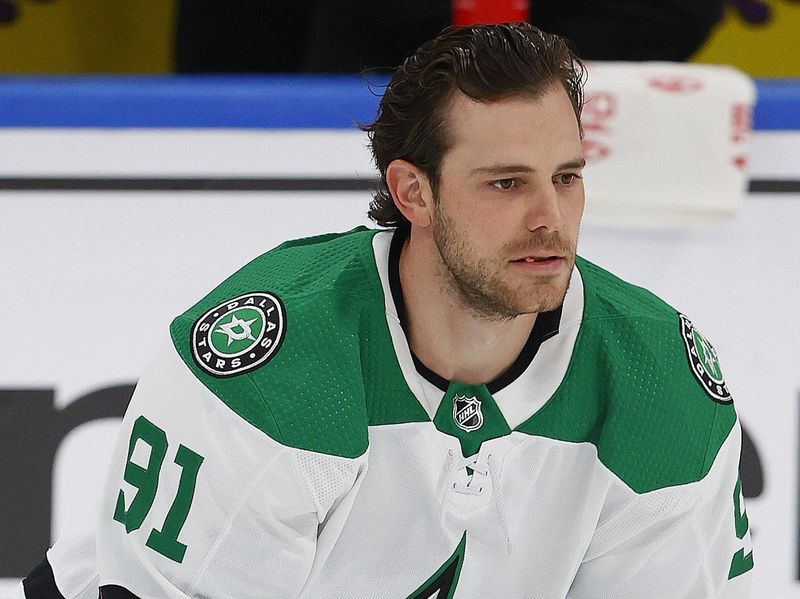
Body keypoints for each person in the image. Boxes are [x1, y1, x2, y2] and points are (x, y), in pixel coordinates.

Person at [15, 23, 753, 598]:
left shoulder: (661, 388)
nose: (549, 217)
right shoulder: (276, 371)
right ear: (413, 193)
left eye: (566, 177)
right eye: (505, 184)